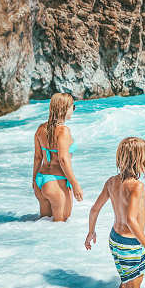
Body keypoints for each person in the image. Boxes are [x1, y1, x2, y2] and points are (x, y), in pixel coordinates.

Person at [84, 137, 145, 288]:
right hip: (130, 243)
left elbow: (94, 209)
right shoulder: (136, 186)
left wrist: (91, 232)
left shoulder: (111, 181)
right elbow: (130, 220)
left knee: (127, 279)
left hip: (115, 239)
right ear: (140, 160)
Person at [32, 93, 83, 221]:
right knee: (60, 225)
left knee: (44, 225)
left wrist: (34, 181)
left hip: (40, 180)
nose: (73, 110)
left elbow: (38, 157)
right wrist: (75, 184)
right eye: (72, 107)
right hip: (56, 182)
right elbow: (63, 160)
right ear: (64, 109)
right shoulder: (63, 131)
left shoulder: (41, 129)